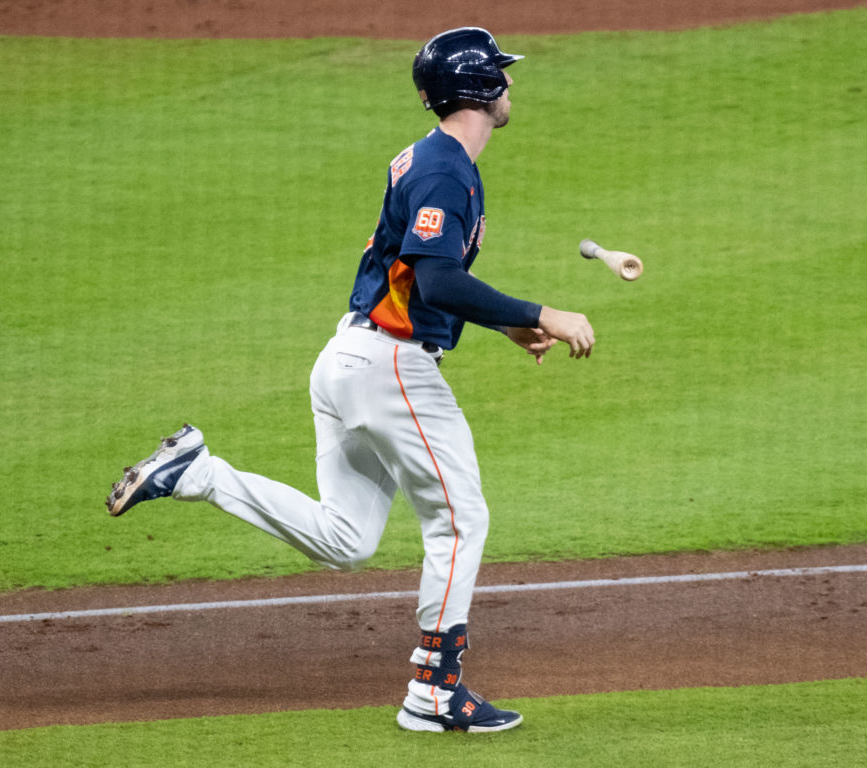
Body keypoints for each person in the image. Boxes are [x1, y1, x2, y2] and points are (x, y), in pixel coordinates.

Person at [106, 26, 594, 733]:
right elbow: (435, 277)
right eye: (502, 75)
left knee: (347, 538)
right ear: (480, 89)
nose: (512, 85)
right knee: (462, 522)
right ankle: (435, 689)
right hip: (389, 369)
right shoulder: (444, 171)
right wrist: (539, 310)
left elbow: (425, 281)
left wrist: (504, 325)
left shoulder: (433, 159)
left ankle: (198, 473)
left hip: (349, 359)